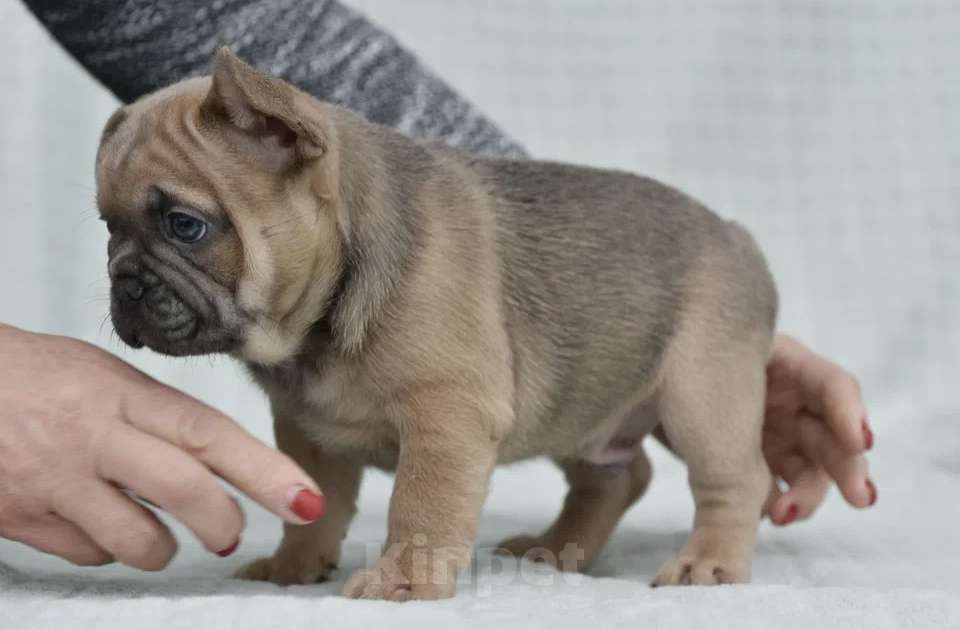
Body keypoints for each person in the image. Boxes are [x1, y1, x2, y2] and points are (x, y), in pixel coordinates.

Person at [1, 0, 874, 571]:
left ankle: (727, 517)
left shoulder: (397, 264)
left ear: (286, 139)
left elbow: (202, 16)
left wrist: (421, 545)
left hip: (686, 272)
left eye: (184, 227)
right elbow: (315, 430)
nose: (130, 272)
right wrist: (311, 536)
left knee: (675, 431)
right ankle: (589, 503)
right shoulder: (283, 308)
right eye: (117, 233)